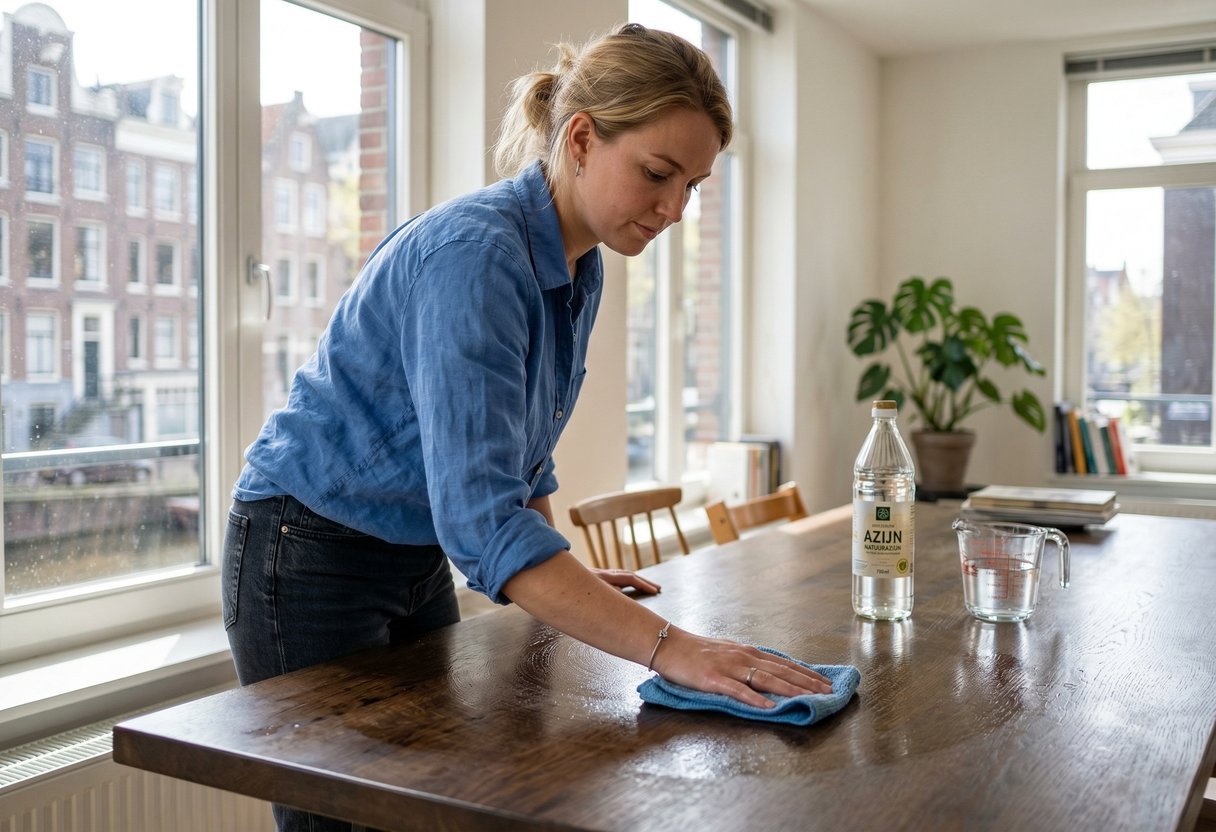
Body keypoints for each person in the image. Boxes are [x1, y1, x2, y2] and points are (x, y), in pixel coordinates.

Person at [223, 22, 832, 832]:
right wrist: (672, 647)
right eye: (658, 174)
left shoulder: (583, 267)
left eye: (693, 186)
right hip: (303, 553)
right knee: (352, 821)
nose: (676, 209)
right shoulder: (475, 257)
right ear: (580, 138)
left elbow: (522, 456)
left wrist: (562, 580)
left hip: (410, 552)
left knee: (440, 802)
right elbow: (480, 519)